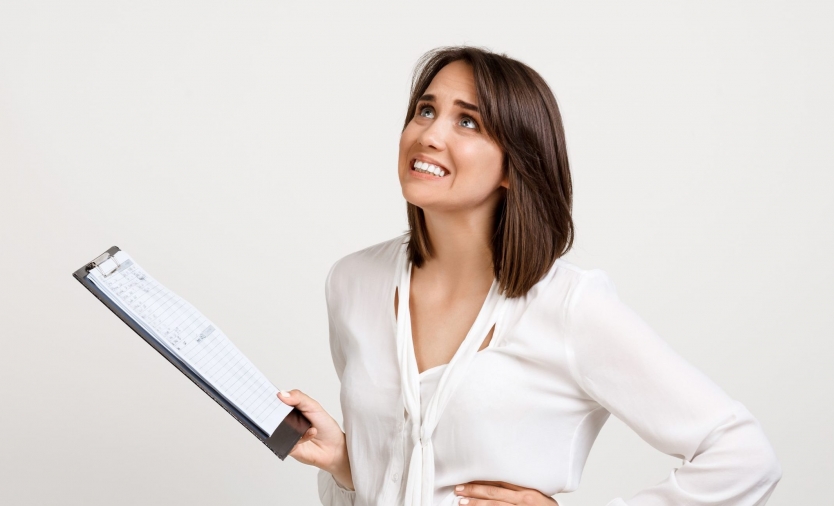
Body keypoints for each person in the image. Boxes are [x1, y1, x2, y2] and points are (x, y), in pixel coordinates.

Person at [276, 46, 782, 506]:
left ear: (512, 166)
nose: (429, 135)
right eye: (425, 110)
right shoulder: (352, 282)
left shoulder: (569, 305)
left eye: (467, 122)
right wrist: (345, 467)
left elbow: (743, 456)